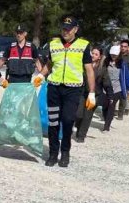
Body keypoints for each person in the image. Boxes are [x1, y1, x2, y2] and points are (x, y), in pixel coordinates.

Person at [39, 15, 94, 167]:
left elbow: (89, 70)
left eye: (69, 29)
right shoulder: (54, 44)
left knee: (68, 120)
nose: (65, 32)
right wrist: (40, 76)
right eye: (63, 29)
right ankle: (52, 153)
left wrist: (92, 92)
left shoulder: (83, 45)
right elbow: (49, 65)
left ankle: (65, 152)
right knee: (53, 122)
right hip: (54, 88)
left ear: (76, 29)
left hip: (73, 90)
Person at [75, 46, 110, 141]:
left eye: (96, 54)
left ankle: (81, 135)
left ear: (99, 57)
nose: (93, 55)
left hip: (95, 95)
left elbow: (106, 82)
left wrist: (110, 94)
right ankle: (78, 128)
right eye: (92, 53)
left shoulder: (102, 69)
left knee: (87, 116)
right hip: (83, 93)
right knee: (78, 114)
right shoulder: (84, 65)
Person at [102, 45, 125, 132]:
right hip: (105, 88)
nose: (113, 56)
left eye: (115, 55)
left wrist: (128, 88)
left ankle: (106, 126)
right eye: (112, 54)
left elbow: (125, 76)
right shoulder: (105, 62)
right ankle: (106, 119)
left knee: (111, 107)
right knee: (105, 106)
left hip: (116, 89)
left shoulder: (122, 63)